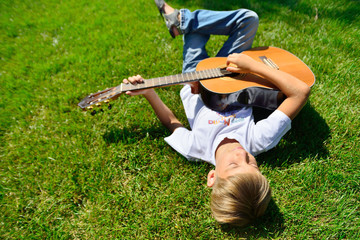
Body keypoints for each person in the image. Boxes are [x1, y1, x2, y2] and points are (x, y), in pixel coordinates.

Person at [122, 1, 310, 226]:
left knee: (196, 37)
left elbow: (171, 122)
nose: (243, 155)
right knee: (248, 19)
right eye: (252, 164)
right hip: (233, 72)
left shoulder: (197, 148)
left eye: (234, 165)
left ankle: (183, 23)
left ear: (212, 177)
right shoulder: (260, 140)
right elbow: (300, 92)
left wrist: (150, 93)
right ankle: (183, 21)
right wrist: (253, 67)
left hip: (194, 73)